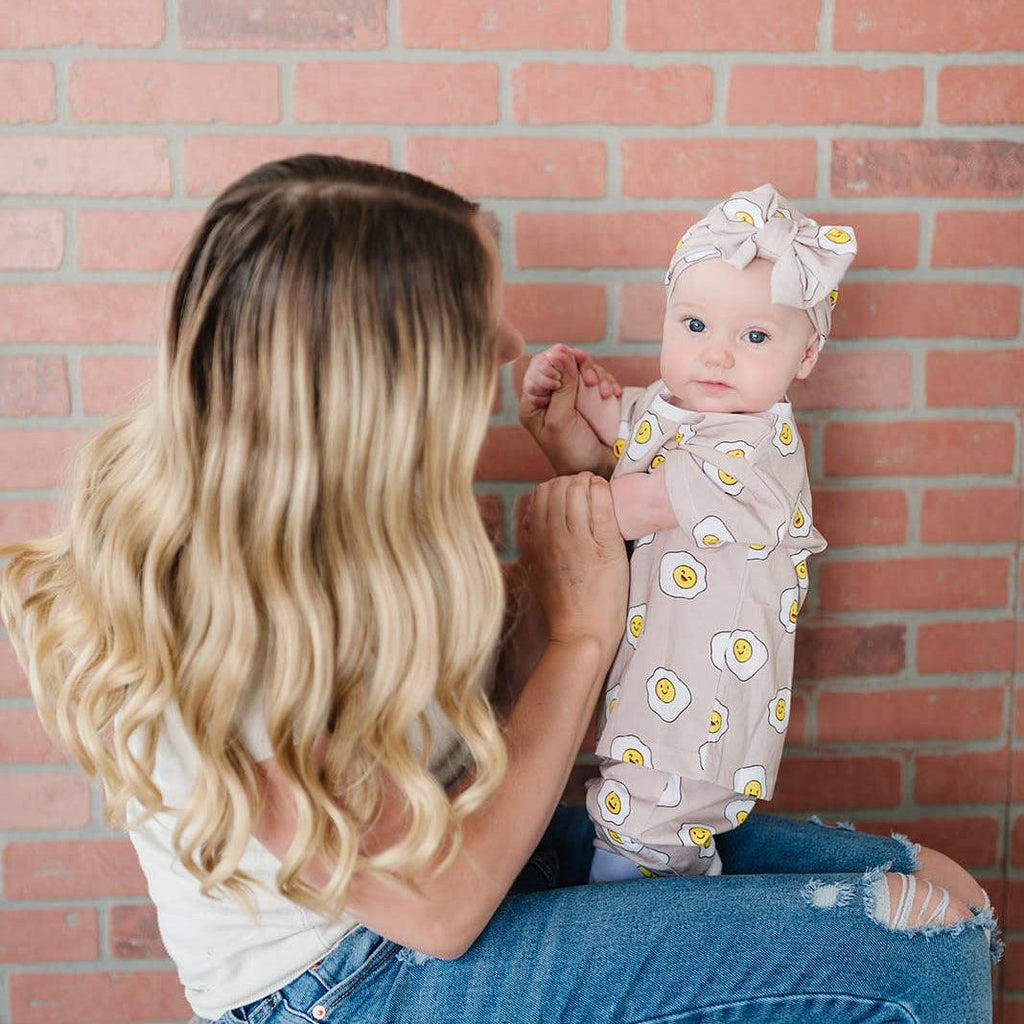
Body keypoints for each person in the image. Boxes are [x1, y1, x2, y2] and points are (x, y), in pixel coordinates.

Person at [0, 156, 999, 1024]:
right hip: (348, 976)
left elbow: (496, 710)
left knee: (946, 891)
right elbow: (436, 911)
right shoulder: (209, 611)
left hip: (462, 839)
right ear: (388, 369)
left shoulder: (370, 513)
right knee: (923, 951)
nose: (510, 339)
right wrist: (578, 639)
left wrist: (586, 502)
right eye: (477, 317)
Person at [520, 185, 852, 883]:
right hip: (663, 696)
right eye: (695, 325)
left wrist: (560, 510)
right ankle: (647, 923)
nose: (716, 356)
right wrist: (570, 396)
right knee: (635, 823)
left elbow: (629, 504)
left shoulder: (753, 451)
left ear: (806, 354)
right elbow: (628, 425)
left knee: (644, 837)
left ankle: (630, 938)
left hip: (702, 714)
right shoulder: (685, 411)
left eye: (755, 337)